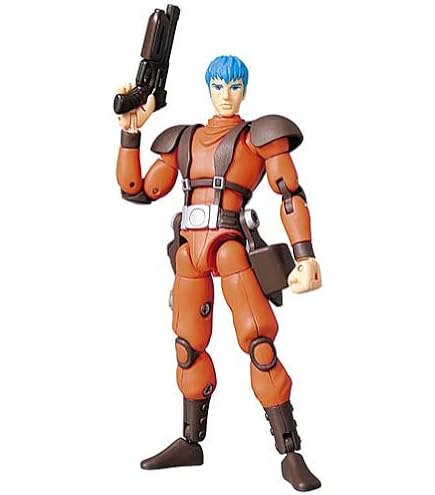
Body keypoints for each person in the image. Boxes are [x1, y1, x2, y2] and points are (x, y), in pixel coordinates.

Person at [116, 55, 322, 492]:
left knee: (259, 343)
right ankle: (191, 441)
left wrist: (305, 255)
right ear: (207, 89)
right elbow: (137, 190)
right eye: (218, 86)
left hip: (230, 247)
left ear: (244, 90)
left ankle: (289, 452)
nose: (226, 95)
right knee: (187, 347)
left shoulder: (258, 137)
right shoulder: (184, 140)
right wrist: (131, 133)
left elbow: (289, 193)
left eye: (234, 87)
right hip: (189, 252)